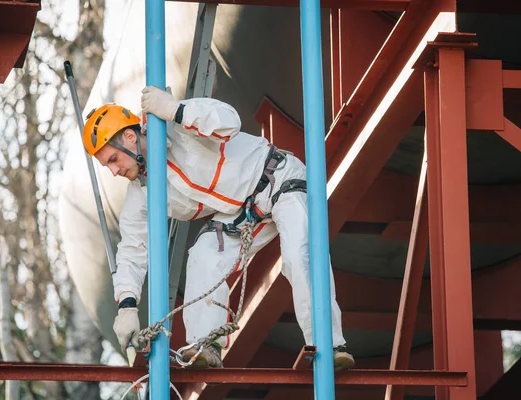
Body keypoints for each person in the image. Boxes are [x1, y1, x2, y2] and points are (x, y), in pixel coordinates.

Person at [82, 86, 354, 370]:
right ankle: (206, 346)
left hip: (277, 179)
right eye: (107, 167)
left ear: (129, 137)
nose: (114, 172)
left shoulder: (178, 125)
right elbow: (132, 249)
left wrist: (176, 110)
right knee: (203, 257)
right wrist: (127, 305)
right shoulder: (142, 193)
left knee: (300, 256)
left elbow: (229, 121)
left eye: (113, 159)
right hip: (240, 214)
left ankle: (329, 344)